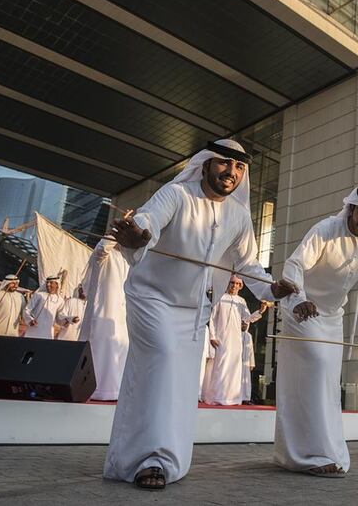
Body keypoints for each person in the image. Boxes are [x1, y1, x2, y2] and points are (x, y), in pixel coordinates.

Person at [103, 139, 297, 490]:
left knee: (180, 382)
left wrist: (272, 289)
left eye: (239, 168)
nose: (231, 172)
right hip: (152, 297)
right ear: (205, 165)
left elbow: (249, 263)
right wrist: (138, 238)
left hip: (193, 312)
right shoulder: (176, 195)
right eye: (224, 163)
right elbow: (149, 220)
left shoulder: (238, 216)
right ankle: (145, 459)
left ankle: (163, 461)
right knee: (161, 361)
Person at [275, 182, 358, 478]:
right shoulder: (326, 228)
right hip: (302, 311)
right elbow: (295, 265)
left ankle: (320, 451)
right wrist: (299, 298)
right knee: (316, 367)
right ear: (351, 209)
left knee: (326, 382)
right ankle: (309, 454)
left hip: (332, 319)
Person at [78, 236, 129, 401]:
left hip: (121, 316)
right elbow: (102, 248)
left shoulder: (127, 260)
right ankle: (96, 389)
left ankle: (114, 390)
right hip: (103, 312)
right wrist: (116, 232)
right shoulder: (103, 256)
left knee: (120, 348)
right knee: (101, 349)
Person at [203, 276, 266, 405]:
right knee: (221, 365)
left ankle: (232, 397)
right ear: (228, 283)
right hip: (222, 338)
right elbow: (213, 318)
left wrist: (260, 311)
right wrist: (212, 336)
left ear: (241, 286)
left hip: (236, 339)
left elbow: (246, 319)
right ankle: (217, 396)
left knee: (234, 367)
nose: (235, 286)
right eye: (232, 283)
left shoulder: (241, 301)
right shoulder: (220, 298)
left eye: (238, 284)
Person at [241, 320, 256, 404]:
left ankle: (246, 398)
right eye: (243, 324)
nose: (244, 325)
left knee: (246, 381)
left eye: (246, 324)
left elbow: (251, 350)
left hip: (246, 363)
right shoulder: (235, 334)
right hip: (237, 362)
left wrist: (252, 363)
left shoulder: (249, 336)